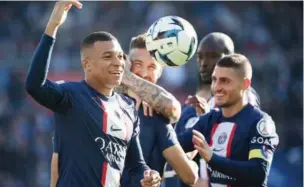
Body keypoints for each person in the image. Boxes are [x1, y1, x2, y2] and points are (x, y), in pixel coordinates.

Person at [25, 1, 160, 187]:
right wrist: (52, 27)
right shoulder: (71, 96)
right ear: (86, 64)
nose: (118, 62)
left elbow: (135, 166)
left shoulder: (128, 107)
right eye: (108, 56)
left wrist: (148, 176)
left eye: (120, 56)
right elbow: (34, 85)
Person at [163, 32, 261, 187]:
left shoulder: (242, 100)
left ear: (229, 58)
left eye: (212, 56)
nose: (204, 63)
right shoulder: (191, 107)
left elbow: (236, 148)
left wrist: (207, 119)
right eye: (200, 57)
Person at [177, 53, 279, 187]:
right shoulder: (208, 120)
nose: (217, 87)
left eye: (225, 81)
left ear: (245, 84)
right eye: (215, 80)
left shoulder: (260, 122)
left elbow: (258, 173)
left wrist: (212, 158)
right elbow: (173, 145)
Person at [120, 34, 198, 187]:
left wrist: (133, 83)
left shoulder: (157, 117)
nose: (143, 73)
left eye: (151, 67)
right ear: (127, 64)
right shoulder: (106, 103)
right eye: (138, 64)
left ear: (160, 72)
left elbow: (190, 176)